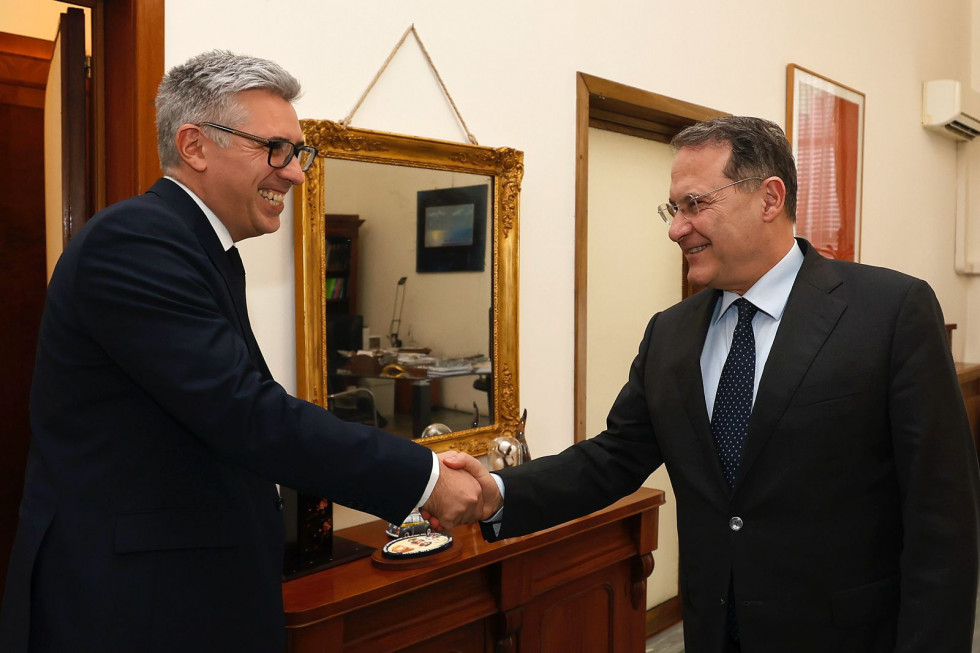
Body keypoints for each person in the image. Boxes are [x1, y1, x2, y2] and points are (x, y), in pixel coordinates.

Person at [0, 50, 486, 653]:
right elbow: (244, 411)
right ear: (196, 145)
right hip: (134, 607)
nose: (296, 172)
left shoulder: (198, 246)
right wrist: (425, 478)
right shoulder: (135, 242)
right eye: (276, 149)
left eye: (299, 153)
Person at [441, 116, 980, 652]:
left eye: (695, 205)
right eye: (673, 210)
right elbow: (613, 458)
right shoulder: (670, 334)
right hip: (715, 632)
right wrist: (498, 492)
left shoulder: (889, 312)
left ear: (770, 199)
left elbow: (943, 516)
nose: (677, 228)